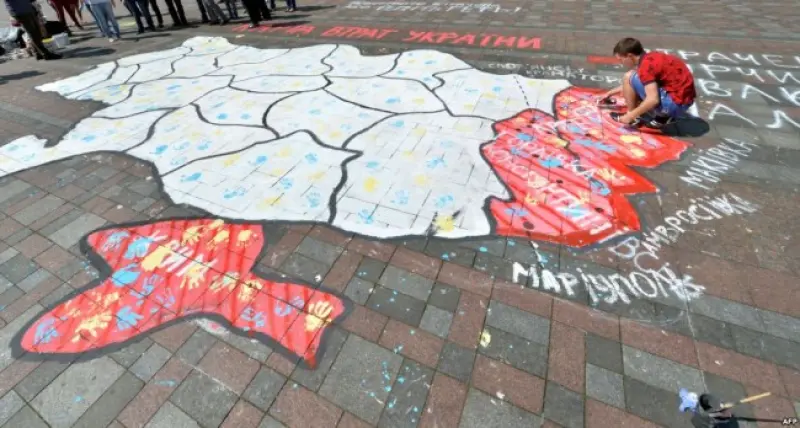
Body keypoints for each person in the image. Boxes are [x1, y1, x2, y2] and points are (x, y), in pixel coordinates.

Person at [598, 37, 696, 129]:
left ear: (630, 56)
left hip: (673, 104)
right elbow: (634, 83)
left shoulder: (645, 68)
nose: (621, 63)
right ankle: (664, 117)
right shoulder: (651, 57)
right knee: (632, 79)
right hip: (684, 101)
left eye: (621, 59)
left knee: (629, 76)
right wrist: (610, 93)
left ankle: (634, 119)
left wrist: (630, 115)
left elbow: (653, 100)